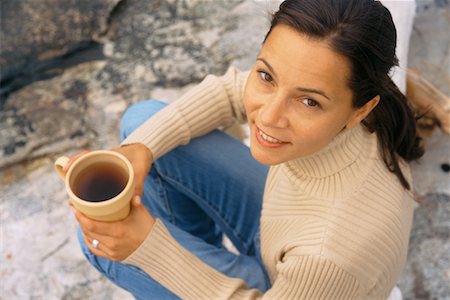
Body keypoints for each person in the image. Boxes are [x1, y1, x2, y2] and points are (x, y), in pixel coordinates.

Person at [67, 0, 425, 299]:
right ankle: (195, 257)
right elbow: (230, 91)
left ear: (361, 109)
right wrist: (140, 149)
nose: (268, 117)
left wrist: (152, 249)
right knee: (144, 124)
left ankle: (188, 268)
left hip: (298, 281)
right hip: (280, 226)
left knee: (107, 246)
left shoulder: (328, 258)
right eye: (267, 76)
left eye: (308, 102)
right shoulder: (359, 104)